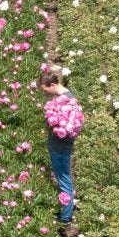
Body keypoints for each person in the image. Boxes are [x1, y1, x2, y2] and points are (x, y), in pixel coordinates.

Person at [43, 76, 80, 226]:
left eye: (46, 90)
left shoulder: (67, 101)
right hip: (59, 147)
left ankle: (66, 216)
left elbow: (71, 128)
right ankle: (67, 209)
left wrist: (56, 127)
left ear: (52, 85)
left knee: (64, 180)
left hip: (60, 148)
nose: (46, 94)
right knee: (64, 179)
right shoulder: (65, 99)